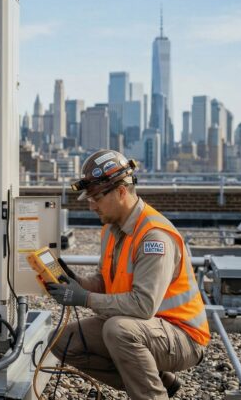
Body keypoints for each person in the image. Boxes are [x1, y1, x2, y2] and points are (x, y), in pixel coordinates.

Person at [44, 149, 209, 399]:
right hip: (141, 326)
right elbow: (105, 282)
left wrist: (84, 299)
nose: (91, 205)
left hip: (183, 335)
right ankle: (161, 382)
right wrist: (78, 283)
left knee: (118, 330)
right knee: (63, 341)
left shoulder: (154, 237)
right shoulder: (112, 229)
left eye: (96, 198)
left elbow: (143, 306)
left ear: (121, 192)